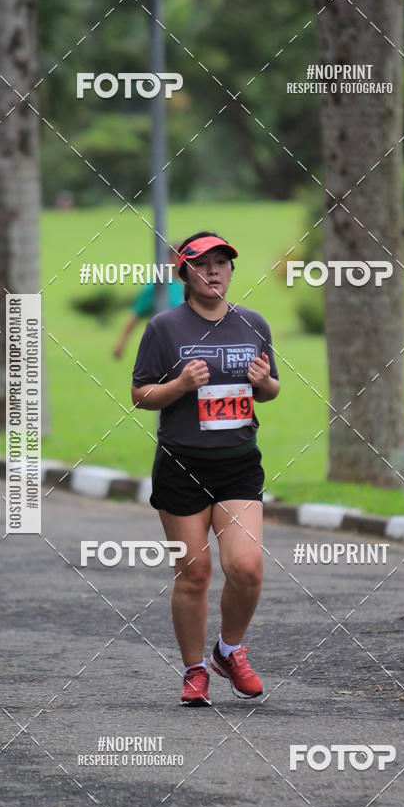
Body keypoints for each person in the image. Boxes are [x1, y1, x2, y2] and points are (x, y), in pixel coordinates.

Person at [131, 232, 280, 706]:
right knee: (194, 573)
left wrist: (264, 384)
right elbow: (140, 395)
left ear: (231, 271)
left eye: (222, 263)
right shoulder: (164, 328)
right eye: (202, 264)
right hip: (181, 465)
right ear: (185, 274)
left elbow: (270, 389)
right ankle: (195, 670)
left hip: (238, 466)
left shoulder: (252, 324)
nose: (214, 271)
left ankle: (229, 650)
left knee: (247, 568)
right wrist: (178, 385)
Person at [113, 250, 183, 359]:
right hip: (163, 345)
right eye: (178, 256)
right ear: (169, 259)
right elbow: (136, 314)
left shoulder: (192, 285)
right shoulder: (158, 285)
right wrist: (121, 343)